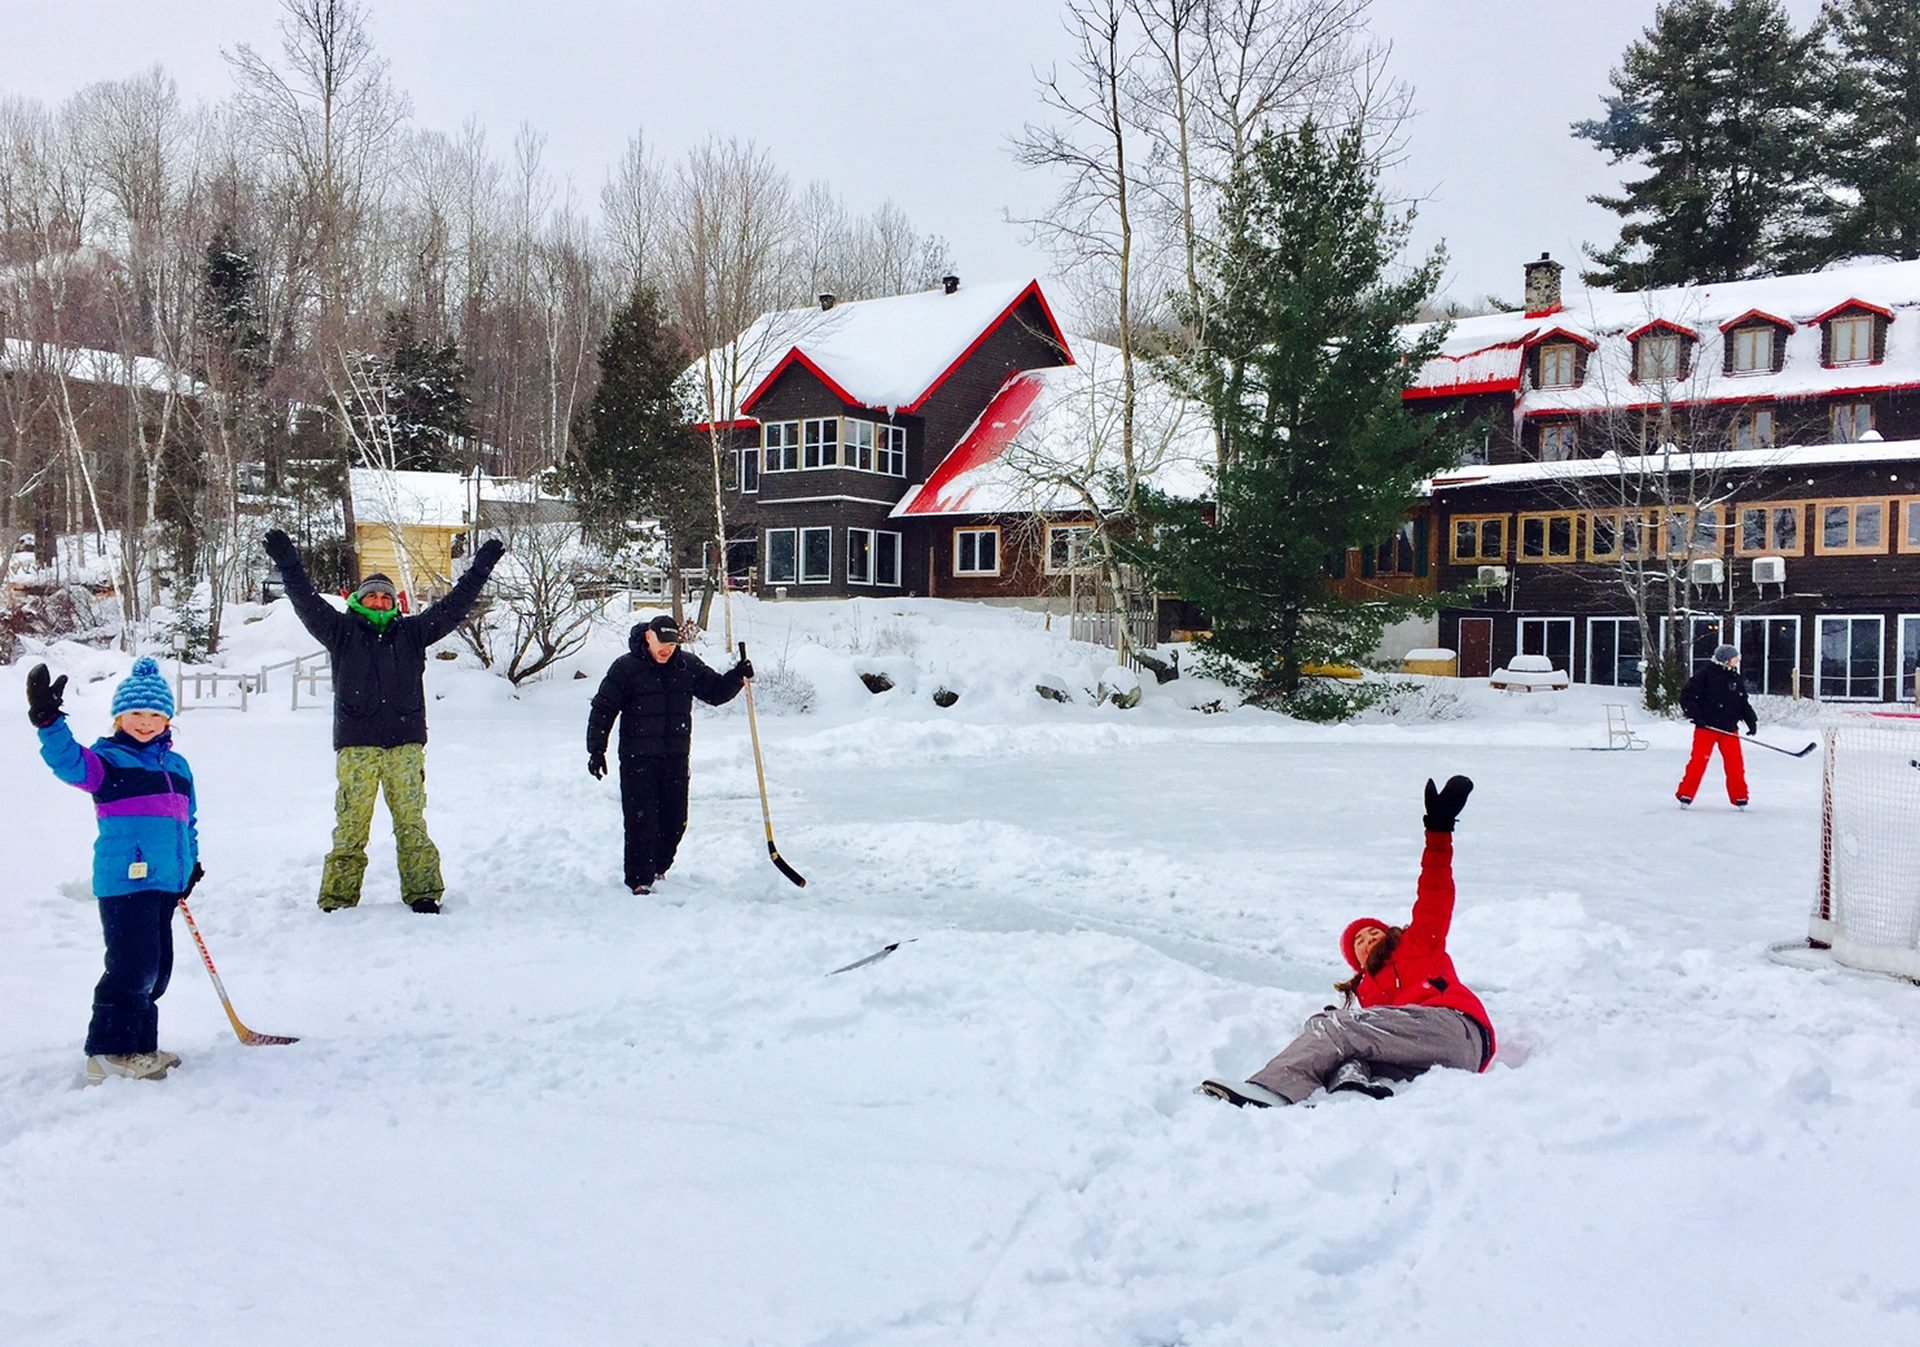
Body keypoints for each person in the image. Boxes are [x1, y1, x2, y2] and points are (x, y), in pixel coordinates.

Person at [1199, 775, 1495, 1108]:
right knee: (1342, 1041)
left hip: (1453, 1029)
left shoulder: (1419, 942)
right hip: (1427, 1057)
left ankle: (1271, 1089)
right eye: (1359, 942)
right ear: (1356, 961)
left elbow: (1435, 890)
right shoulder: (1367, 991)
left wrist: (1439, 830)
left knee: (1335, 1027)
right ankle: (1352, 1090)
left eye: (1373, 933)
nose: (1368, 940)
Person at [262, 528, 505, 913]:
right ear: (358, 600)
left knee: (412, 825)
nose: (378, 600)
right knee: (351, 828)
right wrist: (289, 565)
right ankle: (339, 899)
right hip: (357, 746)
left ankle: (423, 892)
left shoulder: (411, 633)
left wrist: (480, 569)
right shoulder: (340, 631)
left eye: (385, 596)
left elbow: (454, 607)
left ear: (395, 602)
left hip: (404, 745)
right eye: (372, 595)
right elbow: (306, 601)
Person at [29, 657, 203, 1084]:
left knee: (156, 968)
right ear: (119, 717)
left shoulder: (177, 768)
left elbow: (188, 820)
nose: (146, 722)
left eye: (155, 714)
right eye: (136, 714)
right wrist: (50, 723)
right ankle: (108, 1052)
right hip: (125, 882)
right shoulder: (107, 762)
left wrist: (190, 863)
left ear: (168, 720)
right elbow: (69, 763)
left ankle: (140, 1046)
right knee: (131, 966)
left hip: (166, 882)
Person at [586, 614, 752, 894]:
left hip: (675, 757)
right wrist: (596, 750)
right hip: (637, 759)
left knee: (676, 820)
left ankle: (657, 866)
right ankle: (640, 878)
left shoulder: (686, 665)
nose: (667, 649)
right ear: (648, 637)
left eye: (672, 644)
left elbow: (714, 692)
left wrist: (737, 677)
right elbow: (603, 708)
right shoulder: (626, 668)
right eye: (662, 643)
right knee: (642, 820)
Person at [1676, 643, 1757, 809]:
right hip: (1707, 727)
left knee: (1735, 763)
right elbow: (1687, 696)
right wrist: (1696, 716)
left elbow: (1742, 701)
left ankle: (1740, 796)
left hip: (1729, 728)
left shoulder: (1735, 677)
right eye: (1735, 658)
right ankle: (1686, 793)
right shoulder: (1705, 675)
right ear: (1726, 660)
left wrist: (1751, 720)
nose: (1738, 660)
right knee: (1699, 761)